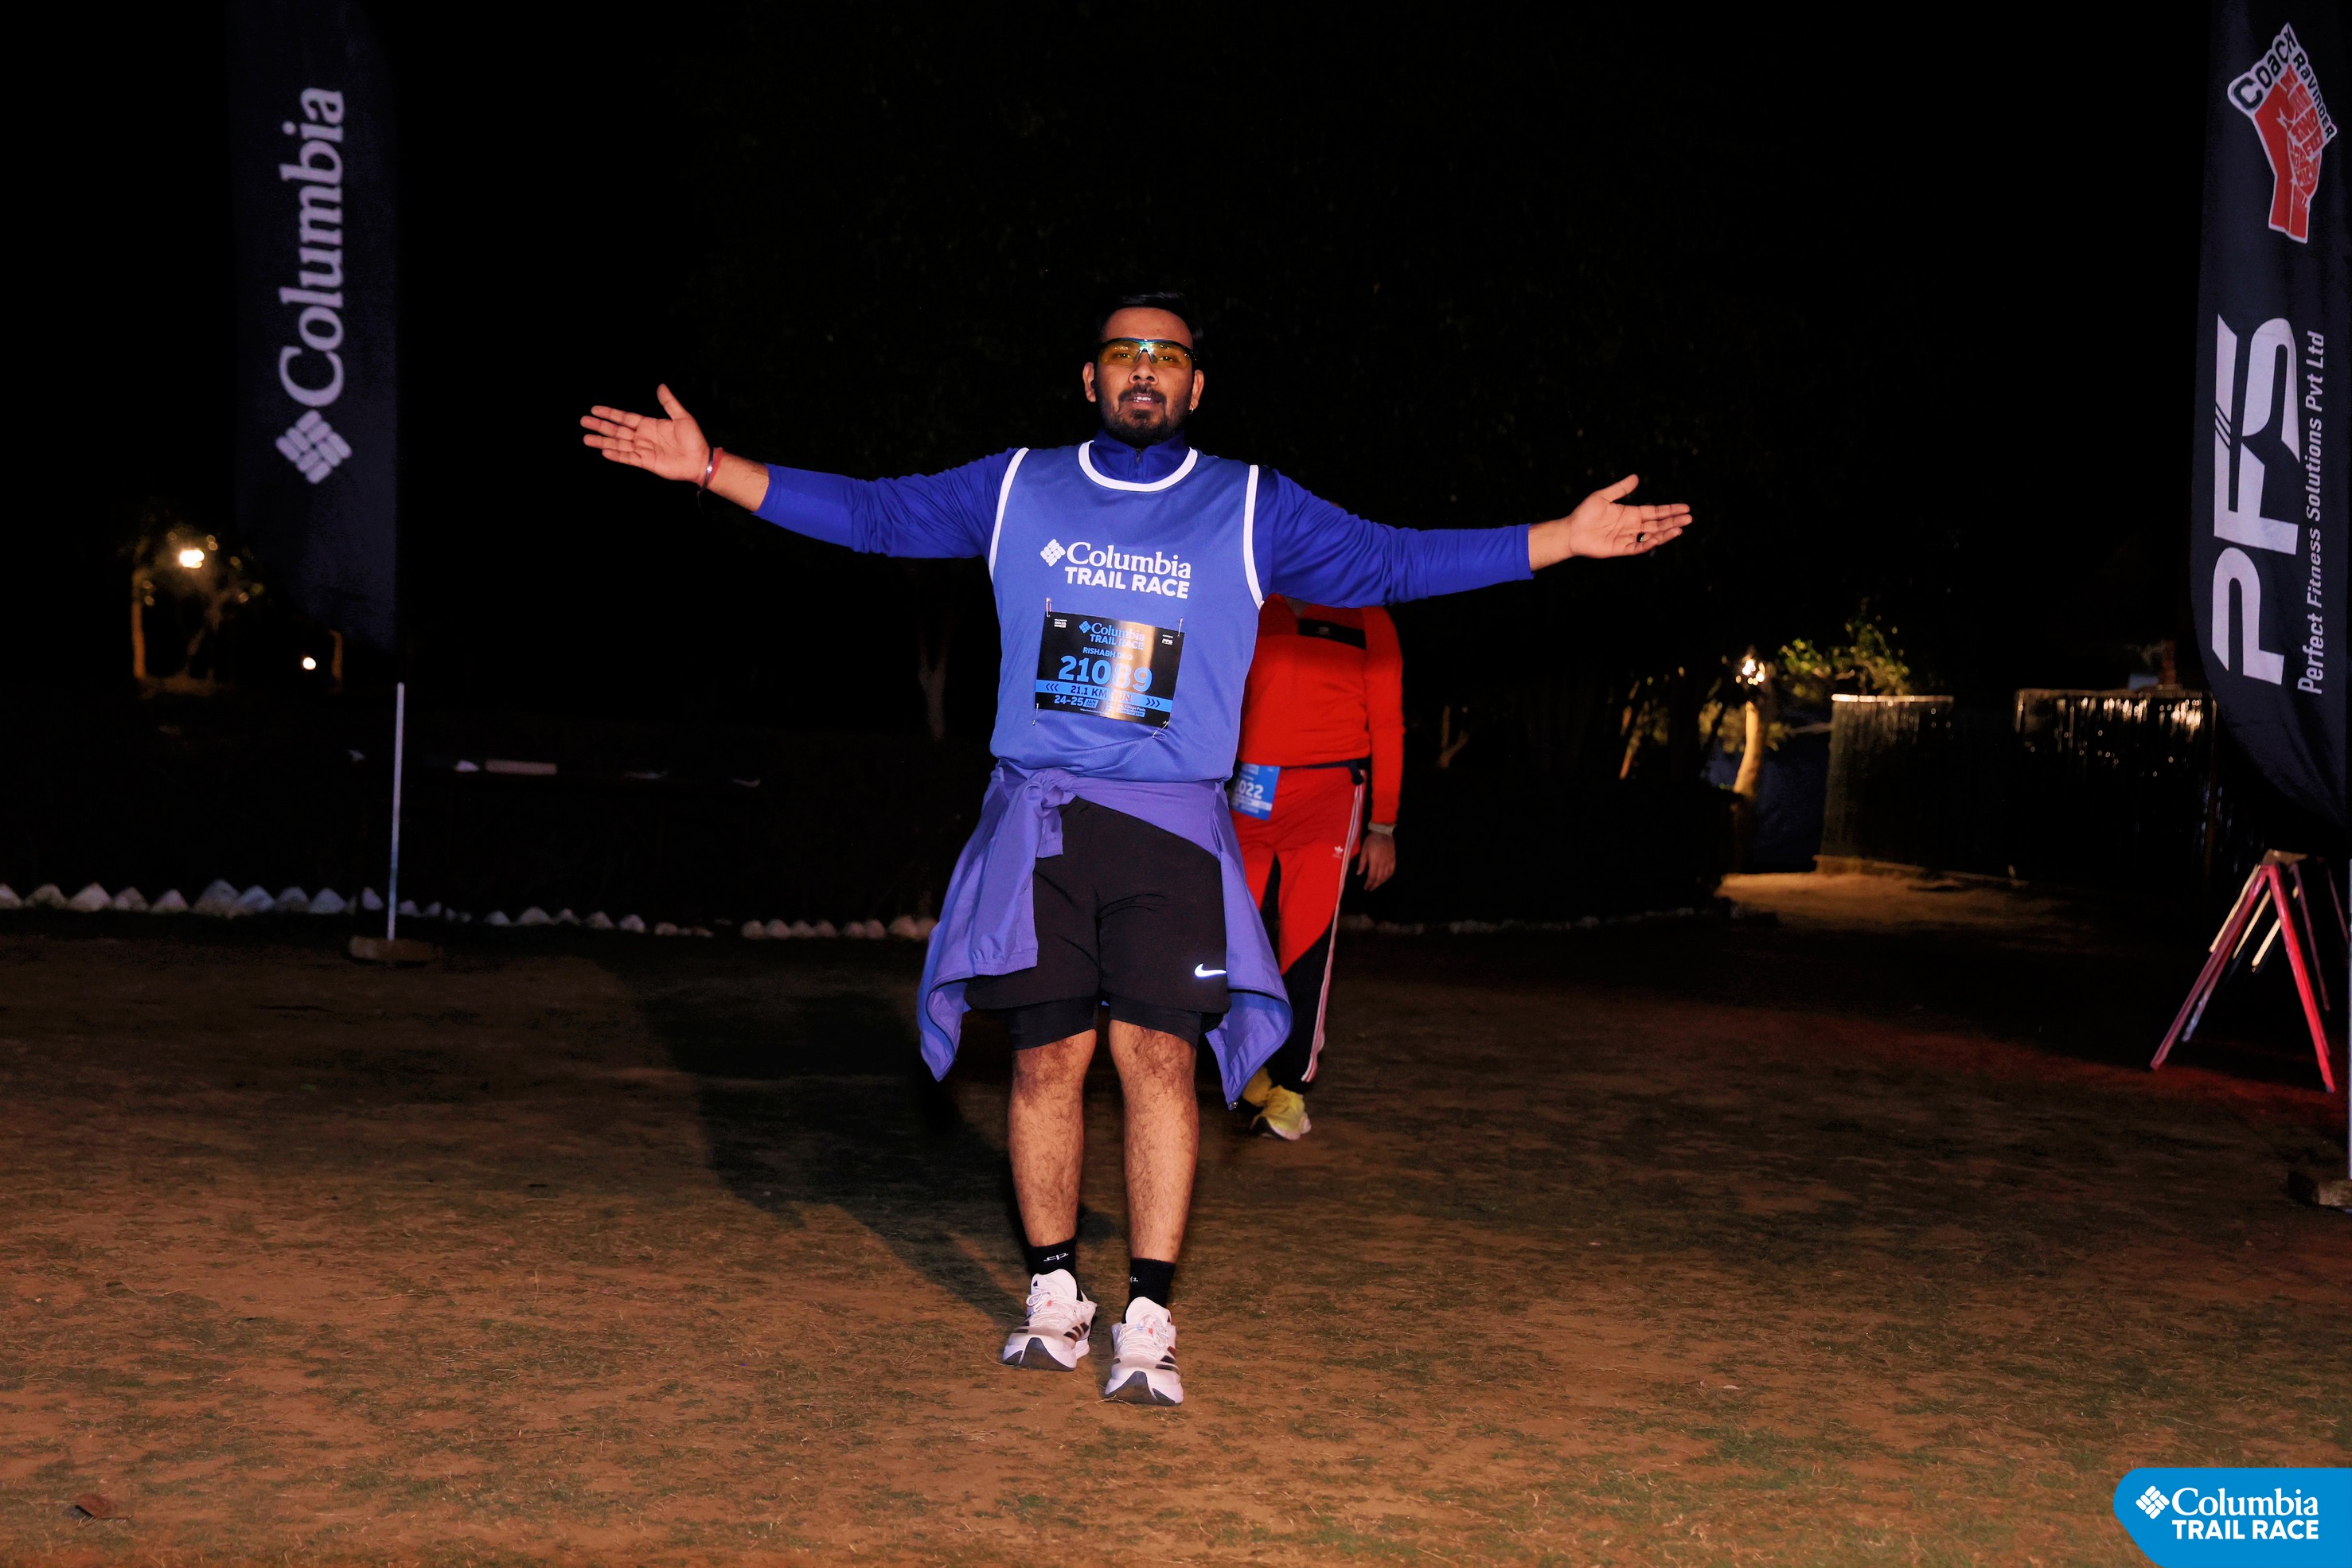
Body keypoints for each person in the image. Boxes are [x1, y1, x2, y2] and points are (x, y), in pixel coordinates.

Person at [580, 292, 1691, 1407]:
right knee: (1045, 1061)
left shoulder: (1249, 503)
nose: (1145, 370)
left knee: (1157, 1060)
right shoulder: (1019, 485)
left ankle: (1148, 1314)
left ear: (1196, 384)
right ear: (1090, 377)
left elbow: (1392, 562)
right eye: (1124, 353)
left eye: (1166, 356)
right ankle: (1055, 1291)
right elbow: (873, 514)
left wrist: (1561, 539)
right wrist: (711, 466)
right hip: (1042, 823)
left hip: (1170, 828)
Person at [1228, 598, 1404, 1140]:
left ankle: (1291, 1088)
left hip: (1329, 790)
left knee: (1306, 940)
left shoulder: (1368, 616)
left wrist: (1382, 825)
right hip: (1251, 787)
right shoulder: (1255, 600)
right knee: (1235, 935)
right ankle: (1248, 1061)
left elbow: (1387, 721)